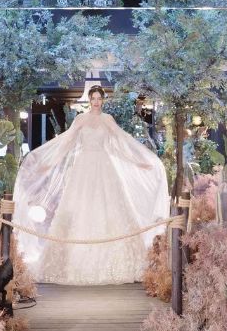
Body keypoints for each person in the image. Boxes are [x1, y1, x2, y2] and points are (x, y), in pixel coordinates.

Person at [13, 86, 169, 285]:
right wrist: (47, 164)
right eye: (93, 98)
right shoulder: (80, 119)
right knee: (80, 209)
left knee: (111, 210)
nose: (96, 101)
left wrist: (139, 162)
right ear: (89, 100)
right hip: (83, 169)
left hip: (105, 168)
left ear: (103, 100)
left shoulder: (108, 120)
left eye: (99, 98)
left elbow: (121, 142)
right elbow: (65, 143)